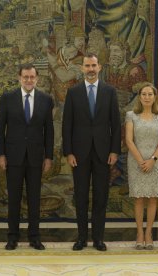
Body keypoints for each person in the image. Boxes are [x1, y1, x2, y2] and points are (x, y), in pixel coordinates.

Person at [62, 53, 121, 251]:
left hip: (104, 153)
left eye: (94, 65)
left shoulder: (109, 91)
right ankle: (81, 238)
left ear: (100, 67)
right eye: (87, 65)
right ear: (82, 68)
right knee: (80, 196)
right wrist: (68, 152)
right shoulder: (74, 92)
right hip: (79, 154)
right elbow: (67, 125)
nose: (90, 69)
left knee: (100, 196)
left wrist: (114, 150)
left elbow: (116, 124)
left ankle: (98, 239)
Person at [0, 64, 54, 251]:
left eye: (32, 77)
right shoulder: (7, 98)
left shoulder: (46, 100)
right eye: (25, 77)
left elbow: (49, 131)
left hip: (36, 157)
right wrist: (1, 154)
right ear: (19, 78)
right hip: (13, 157)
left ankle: (34, 237)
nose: (29, 80)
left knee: (34, 198)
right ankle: (12, 237)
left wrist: (49, 157)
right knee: (14, 198)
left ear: (37, 79)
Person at [125, 83, 158, 250]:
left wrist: (152, 159)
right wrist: (141, 160)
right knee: (139, 198)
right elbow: (128, 140)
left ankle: (149, 233)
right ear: (139, 97)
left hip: (156, 161)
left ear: (155, 97)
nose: (147, 97)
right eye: (144, 94)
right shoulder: (131, 115)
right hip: (136, 161)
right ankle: (139, 234)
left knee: (153, 198)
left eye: (150, 94)